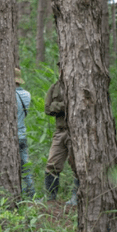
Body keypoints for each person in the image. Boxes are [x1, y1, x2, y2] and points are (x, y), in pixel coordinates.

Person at [44, 76, 78, 205]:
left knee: (77, 164)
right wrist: (66, 105)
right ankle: (50, 197)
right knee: (52, 164)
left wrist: (58, 106)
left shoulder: (80, 81)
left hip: (77, 131)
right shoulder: (55, 87)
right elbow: (48, 108)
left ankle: (76, 197)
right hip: (60, 131)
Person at [15, 68, 35, 199]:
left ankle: (18, 193)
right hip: (22, 134)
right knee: (25, 165)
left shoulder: (7, 95)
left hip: (11, 137)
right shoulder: (27, 95)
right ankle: (31, 193)